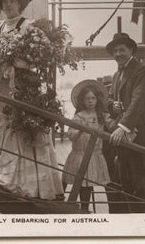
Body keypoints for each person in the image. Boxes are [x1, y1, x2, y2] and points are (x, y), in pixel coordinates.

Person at [0, 0, 63, 200]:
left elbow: (39, 58)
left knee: (21, 127)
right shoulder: (1, 26)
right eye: (4, 2)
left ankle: (24, 183)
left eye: (12, 1)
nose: (8, 6)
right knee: (1, 124)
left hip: (22, 84)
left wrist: (18, 62)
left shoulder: (27, 26)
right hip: (3, 84)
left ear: (20, 4)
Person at [106, 32, 145, 213]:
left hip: (137, 136)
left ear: (131, 50)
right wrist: (113, 106)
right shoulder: (116, 75)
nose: (118, 54)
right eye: (115, 51)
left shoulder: (141, 70)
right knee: (125, 182)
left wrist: (122, 127)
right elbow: (109, 98)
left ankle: (143, 227)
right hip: (123, 138)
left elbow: (139, 101)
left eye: (122, 50)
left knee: (140, 184)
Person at [62, 80, 111, 212]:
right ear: (82, 100)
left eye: (93, 98)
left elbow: (111, 125)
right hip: (79, 155)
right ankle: (61, 202)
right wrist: (80, 130)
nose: (90, 101)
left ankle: (84, 208)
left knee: (87, 184)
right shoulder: (78, 116)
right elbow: (71, 135)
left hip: (94, 155)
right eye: (87, 98)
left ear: (97, 100)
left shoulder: (102, 116)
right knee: (74, 180)